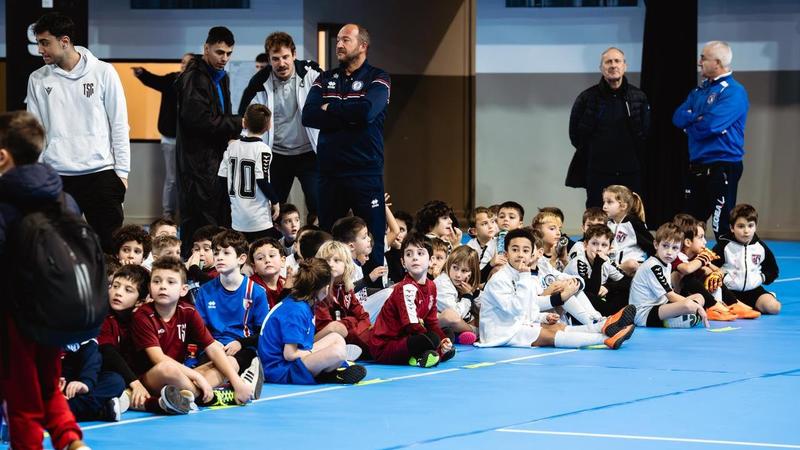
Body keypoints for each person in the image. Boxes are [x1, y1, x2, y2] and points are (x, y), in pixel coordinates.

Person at [0, 111, 89, 450]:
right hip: (55, 310)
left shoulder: (5, 200)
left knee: (21, 402)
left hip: (14, 316)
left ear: (3, 156)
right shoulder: (63, 197)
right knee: (47, 387)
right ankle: (72, 441)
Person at [26, 12, 130, 254]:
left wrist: (122, 174)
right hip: (56, 177)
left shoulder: (104, 72)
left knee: (110, 250)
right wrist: (38, 175)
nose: (40, 49)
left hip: (101, 176)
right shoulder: (37, 80)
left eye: (45, 43)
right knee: (57, 250)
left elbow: (119, 124)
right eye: (38, 43)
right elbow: (34, 133)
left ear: (64, 41)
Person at [302, 24, 391, 273]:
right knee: (328, 237)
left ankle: (374, 289)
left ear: (362, 46)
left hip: (365, 171)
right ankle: (328, 294)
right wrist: (349, 113)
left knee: (371, 237)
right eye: (338, 40)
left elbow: (366, 112)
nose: (339, 44)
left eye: (346, 40)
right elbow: (308, 115)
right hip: (330, 172)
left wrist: (330, 109)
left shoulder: (378, 77)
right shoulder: (325, 78)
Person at [476, 228, 636, 350]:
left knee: (557, 326)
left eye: (525, 250)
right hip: (499, 332)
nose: (520, 255)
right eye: (515, 249)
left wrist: (542, 318)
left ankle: (601, 326)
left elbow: (528, 309)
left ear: (532, 253)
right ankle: (605, 338)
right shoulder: (500, 279)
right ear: (506, 253)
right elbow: (517, 310)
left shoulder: (524, 275)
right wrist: (525, 280)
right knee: (548, 335)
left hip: (515, 324)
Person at [131, 257, 257, 410]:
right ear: (150, 288)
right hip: (150, 378)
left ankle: (189, 396)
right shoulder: (142, 315)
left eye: (170, 282)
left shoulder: (188, 312)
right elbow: (159, 359)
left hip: (181, 377)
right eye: (157, 281)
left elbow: (212, 348)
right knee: (167, 369)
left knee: (230, 362)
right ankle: (210, 398)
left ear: (183, 289)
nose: (162, 286)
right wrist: (198, 377)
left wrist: (237, 383)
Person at [240, 32, 322, 225]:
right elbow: (245, 119)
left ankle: (315, 246)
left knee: (319, 204)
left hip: (309, 152)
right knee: (271, 208)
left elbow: (331, 103)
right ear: (269, 60)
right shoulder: (259, 82)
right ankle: (274, 249)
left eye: (285, 57)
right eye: (275, 59)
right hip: (276, 154)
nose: (281, 63)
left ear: (293, 54)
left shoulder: (312, 73)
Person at [175, 26, 242, 255]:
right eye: (219, 52)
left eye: (228, 53)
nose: (224, 58)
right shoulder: (194, 78)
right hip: (198, 165)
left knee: (217, 220)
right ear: (206, 48)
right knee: (201, 225)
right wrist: (238, 123)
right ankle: (195, 275)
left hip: (215, 160)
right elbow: (199, 121)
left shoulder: (220, 77)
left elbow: (221, 115)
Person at [673, 41, 749, 239]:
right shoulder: (699, 91)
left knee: (721, 223)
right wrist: (696, 118)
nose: (699, 62)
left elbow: (710, 125)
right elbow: (677, 117)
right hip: (697, 166)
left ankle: (725, 266)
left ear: (717, 63)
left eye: (703, 58)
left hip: (722, 165)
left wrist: (693, 122)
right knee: (687, 224)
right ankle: (690, 267)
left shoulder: (733, 91)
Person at [258, 258, 367, 384]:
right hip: (280, 370)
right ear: (325, 288)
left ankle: (329, 371)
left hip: (287, 362)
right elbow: (289, 354)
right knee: (337, 353)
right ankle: (328, 373)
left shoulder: (302, 302)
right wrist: (316, 352)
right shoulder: (296, 310)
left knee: (336, 338)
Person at [567, 47, 650, 208]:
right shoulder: (587, 97)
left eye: (617, 61)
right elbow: (575, 135)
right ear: (601, 68)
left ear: (624, 66)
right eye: (608, 62)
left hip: (630, 170)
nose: (613, 65)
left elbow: (645, 133)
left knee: (632, 215)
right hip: (598, 170)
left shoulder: (638, 96)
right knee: (597, 214)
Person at [194, 230, 267, 392]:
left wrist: (240, 343)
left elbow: (262, 333)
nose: (219, 257)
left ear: (241, 258)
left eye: (226, 253)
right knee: (207, 367)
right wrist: (212, 343)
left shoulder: (256, 292)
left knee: (230, 363)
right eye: (216, 253)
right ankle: (194, 390)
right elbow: (199, 329)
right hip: (212, 347)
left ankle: (193, 393)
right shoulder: (205, 291)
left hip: (243, 350)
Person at [367, 233, 455, 368]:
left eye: (420, 253)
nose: (414, 258)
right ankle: (427, 355)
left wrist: (444, 340)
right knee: (431, 338)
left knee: (446, 333)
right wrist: (437, 341)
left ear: (431, 260)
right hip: (386, 346)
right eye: (409, 254)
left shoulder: (431, 286)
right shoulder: (406, 288)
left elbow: (431, 322)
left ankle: (432, 353)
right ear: (403, 262)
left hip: (407, 337)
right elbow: (411, 325)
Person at [132, 53, 193, 220]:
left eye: (187, 63)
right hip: (170, 137)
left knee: (187, 179)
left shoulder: (197, 84)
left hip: (189, 140)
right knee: (172, 178)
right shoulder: (172, 79)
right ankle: (168, 214)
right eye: (182, 62)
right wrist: (142, 74)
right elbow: (156, 81)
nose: (183, 65)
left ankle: (185, 213)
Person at [629, 223, 710, 328]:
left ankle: (681, 317)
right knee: (688, 305)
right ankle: (669, 322)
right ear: (656, 244)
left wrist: (695, 305)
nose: (669, 252)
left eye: (675, 248)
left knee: (700, 297)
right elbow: (671, 296)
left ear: (679, 250)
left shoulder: (667, 265)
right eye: (665, 246)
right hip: (644, 314)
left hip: (660, 306)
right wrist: (697, 307)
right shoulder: (653, 266)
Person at [218, 103, 280, 241]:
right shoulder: (263, 149)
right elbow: (261, 179)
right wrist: (275, 201)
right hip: (258, 218)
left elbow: (222, 177)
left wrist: (231, 200)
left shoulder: (232, 147)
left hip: (237, 217)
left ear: (244, 122)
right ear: (268, 126)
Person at [712, 204, 781, 315]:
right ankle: (740, 306)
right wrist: (724, 278)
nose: (746, 231)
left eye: (750, 226)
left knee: (774, 307)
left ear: (755, 226)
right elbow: (710, 266)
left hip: (753, 291)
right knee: (724, 311)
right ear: (732, 228)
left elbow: (773, 270)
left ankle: (765, 298)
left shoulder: (760, 247)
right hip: (729, 292)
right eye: (741, 226)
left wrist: (761, 278)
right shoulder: (723, 246)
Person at [603, 184, 654, 276]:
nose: (604, 206)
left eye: (609, 202)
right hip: (615, 267)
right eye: (604, 202)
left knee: (631, 264)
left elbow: (652, 246)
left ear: (623, 206)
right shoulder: (608, 224)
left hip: (633, 269)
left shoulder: (633, 223)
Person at [434, 245, 481, 345]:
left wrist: (474, 293)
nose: (458, 275)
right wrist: (467, 297)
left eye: (464, 271)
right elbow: (455, 314)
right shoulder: (442, 282)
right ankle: (474, 333)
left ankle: (456, 336)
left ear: (472, 273)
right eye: (455, 268)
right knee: (449, 315)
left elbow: (485, 308)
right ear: (449, 264)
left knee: (485, 314)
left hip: (455, 324)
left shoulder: (465, 284)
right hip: (431, 324)